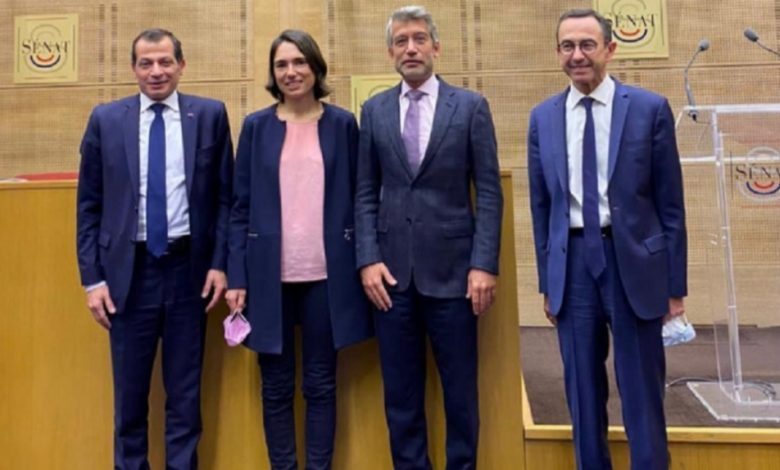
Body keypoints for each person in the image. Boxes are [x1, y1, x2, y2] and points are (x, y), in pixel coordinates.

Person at [527, 8, 687, 470]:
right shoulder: (543, 118)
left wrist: (674, 287)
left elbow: (671, 206)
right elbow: (542, 209)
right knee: (581, 393)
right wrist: (548, 282)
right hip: (573, 266)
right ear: (557, 53)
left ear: (610, 49)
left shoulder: (649, 109)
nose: (577, 55)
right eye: (567, 46)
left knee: (641, 392)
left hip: (633, 263)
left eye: (587, 45)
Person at [76, 28, 233, 469]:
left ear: (181, 65)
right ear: (133, 69)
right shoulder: (106, 120)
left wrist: (219, 264)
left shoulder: (210, 115)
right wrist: (92, 280)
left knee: (185, 396)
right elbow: (88, 206)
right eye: (146, 63)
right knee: (129, 400)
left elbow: (225, 199)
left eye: (165, 62)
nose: (156, 71)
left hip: (189, 272)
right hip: (128, 276)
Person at [355, 6, 503, 469]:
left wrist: (484, 264)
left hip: (456, 277)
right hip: (390, 279)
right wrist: (367, 258)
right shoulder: (374, 110)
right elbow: (364, 191)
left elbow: (489, 192)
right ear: (390, 52)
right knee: (401, 399)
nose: (411, 48)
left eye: (419, 39)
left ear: (436, 46)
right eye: (401, 41)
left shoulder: (471, 107)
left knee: (460, 395)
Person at [225, 29, 372, 470]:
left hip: (328, 277)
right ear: (273, 74)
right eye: (282, 65)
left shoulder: (343, 125)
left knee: (321, 384)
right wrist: (236, 276)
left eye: (299, 62)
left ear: (315, 67)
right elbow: (240, 208)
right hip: (268, 278)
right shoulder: (256, 127)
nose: (291, 72)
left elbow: (361, 196)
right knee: (275, 387)